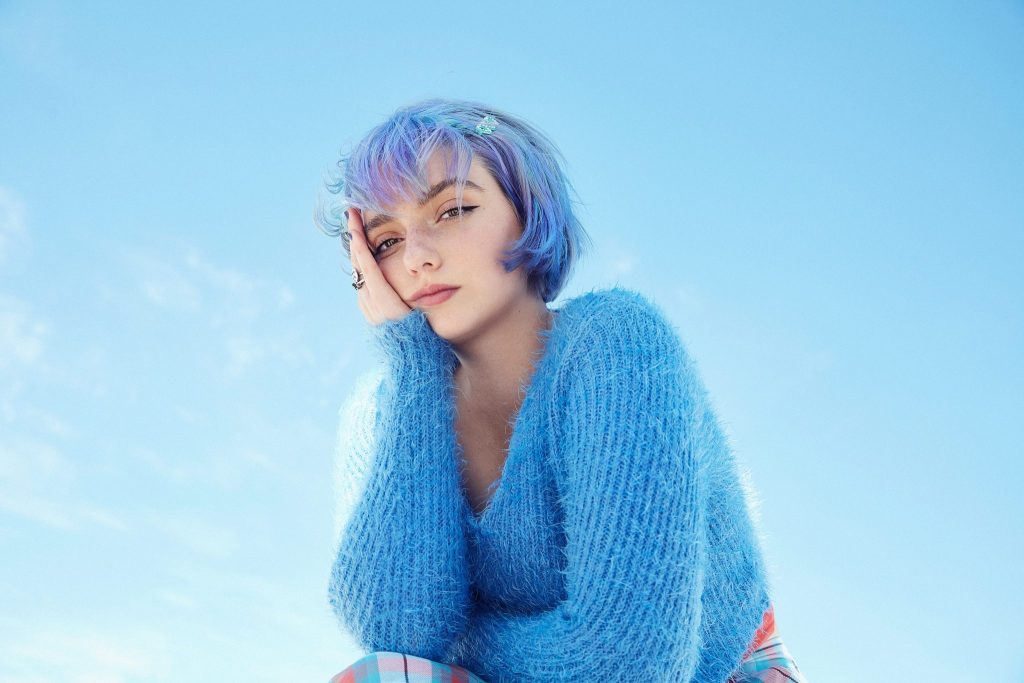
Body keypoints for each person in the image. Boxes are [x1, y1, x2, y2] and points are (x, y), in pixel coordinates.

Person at [318, 98, 809, 682]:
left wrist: (467, 641)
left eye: (452, 211)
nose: (418, 258)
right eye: (387, 241)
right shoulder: (383, 410)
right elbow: (399, 637)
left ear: (524, 211)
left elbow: (626, 665)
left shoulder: (615, 343)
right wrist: (414, 369)